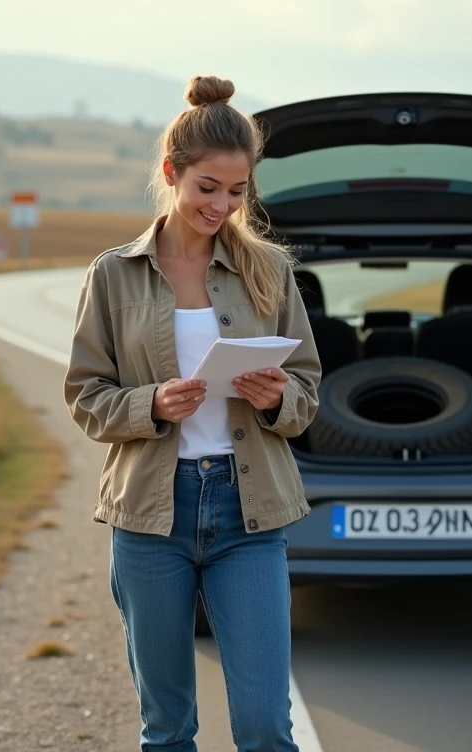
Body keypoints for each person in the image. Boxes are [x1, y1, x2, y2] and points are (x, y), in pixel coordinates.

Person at [63, 74, 321, 752]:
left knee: (267, 726)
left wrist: (277, 400)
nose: (223, 205)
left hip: (249, 513)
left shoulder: (269, 269)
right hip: (151, 517)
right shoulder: (113, 274)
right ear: (172, 173)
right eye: (208, 188)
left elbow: (306, 394)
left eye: (237, 192)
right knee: (168, 727)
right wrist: (151, 403)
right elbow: (86, 398)